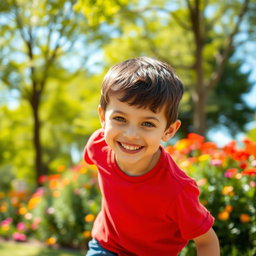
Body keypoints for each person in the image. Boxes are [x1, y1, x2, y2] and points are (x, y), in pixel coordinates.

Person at [84, 56, 220, 256]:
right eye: (120, 118)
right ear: (103, 118)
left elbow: (207, 241)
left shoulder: (177, 189)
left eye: (147, 124)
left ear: (169, 131)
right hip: (106, 246)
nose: (131, 134)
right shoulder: (98, 145)